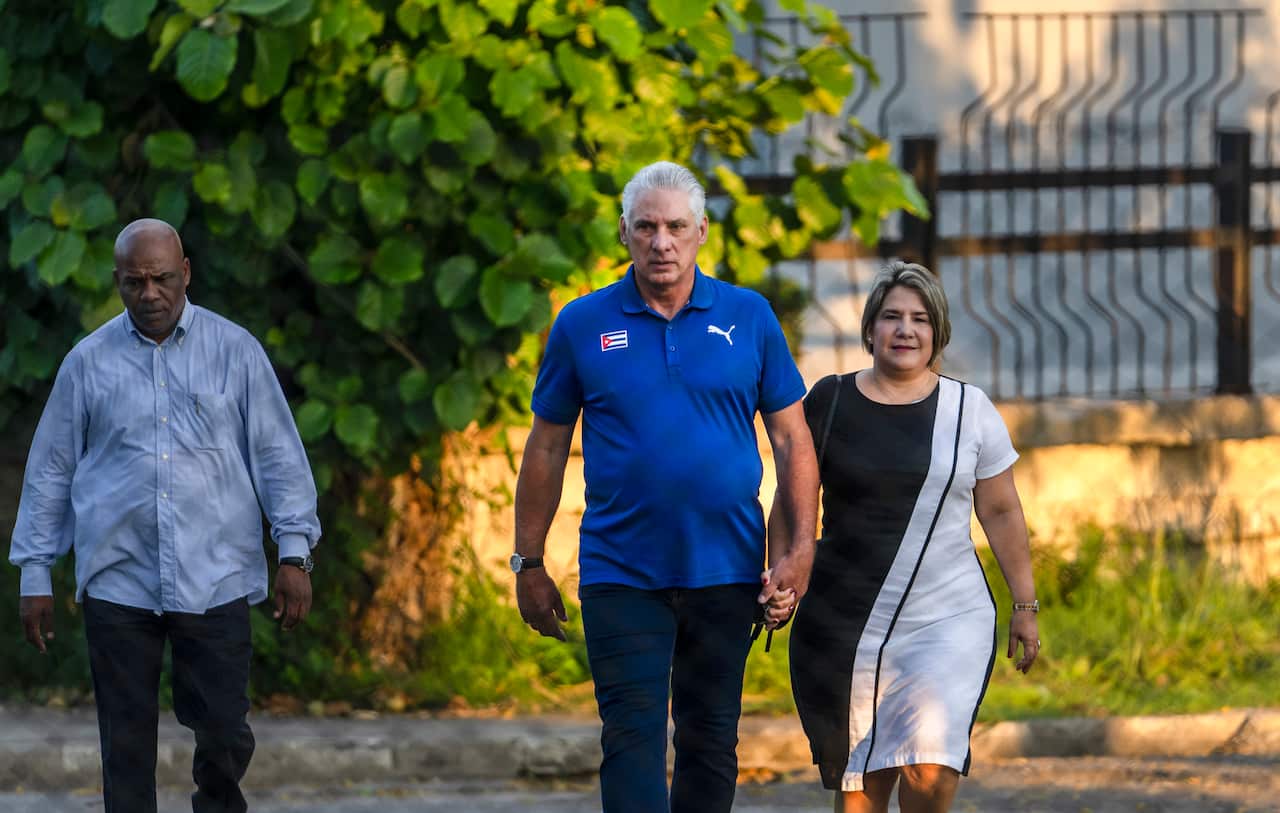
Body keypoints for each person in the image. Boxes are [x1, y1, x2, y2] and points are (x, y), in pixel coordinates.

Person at [512, 161, 818, 812]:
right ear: (624, 233)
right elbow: (545, 443)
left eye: (676, 226)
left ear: (702, 231)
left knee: (710, 739)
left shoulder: (750, 316)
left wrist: (798, 552)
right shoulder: (581, 324)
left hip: (728, 570)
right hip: (621, 571)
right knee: (631, 736)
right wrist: (528, 559)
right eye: (646, 226)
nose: (662, 241)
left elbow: (793, 440)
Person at [9, 218, 321, 813]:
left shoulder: (236, 352)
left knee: (225, 732)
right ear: (118, 282)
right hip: (120, 580)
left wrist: (295, 552)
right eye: (134, 282)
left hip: (217, 578)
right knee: (124, 745)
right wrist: (34, 573)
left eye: (161, 280)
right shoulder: (87, 362)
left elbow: (279, 456)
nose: (148, 294)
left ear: (186, 276)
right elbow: (51, 470)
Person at [788, 262, 1040, 813]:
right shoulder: (827, 402)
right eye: (892, 317)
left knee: (929, 770)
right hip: (847, 617)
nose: (906, 330)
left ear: (938, 333)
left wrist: (1025, 604)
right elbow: (792, 500)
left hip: (946, 615)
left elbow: (1000, 509)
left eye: (920, 319)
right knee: (863, 785)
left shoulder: (968, 411)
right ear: (870, 329)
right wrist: (781, 575)